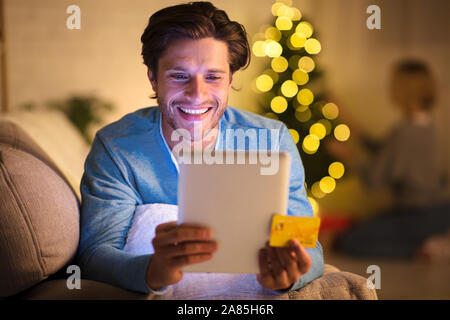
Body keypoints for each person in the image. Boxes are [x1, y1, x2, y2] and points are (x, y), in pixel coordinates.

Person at [76, 1, 324, 294]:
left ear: (231, 79)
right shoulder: (116, 148)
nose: (197, 94)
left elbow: (311, 249)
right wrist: (153, 271)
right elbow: (95, 254)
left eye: (213, 77)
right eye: (179, 76)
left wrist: (289, 277)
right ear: (153, 79)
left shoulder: (271, 139)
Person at [327, 59, 450, 260]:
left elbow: (374, 181)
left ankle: (423, 249)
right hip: (443, 211)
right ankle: (426, 243)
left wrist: (348, 156)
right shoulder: (428, 127)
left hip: (417, 215)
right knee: (363, 228)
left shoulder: (404, 132)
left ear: (404, 91)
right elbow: (385, 151)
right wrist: (347, 120)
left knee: (350, 241)